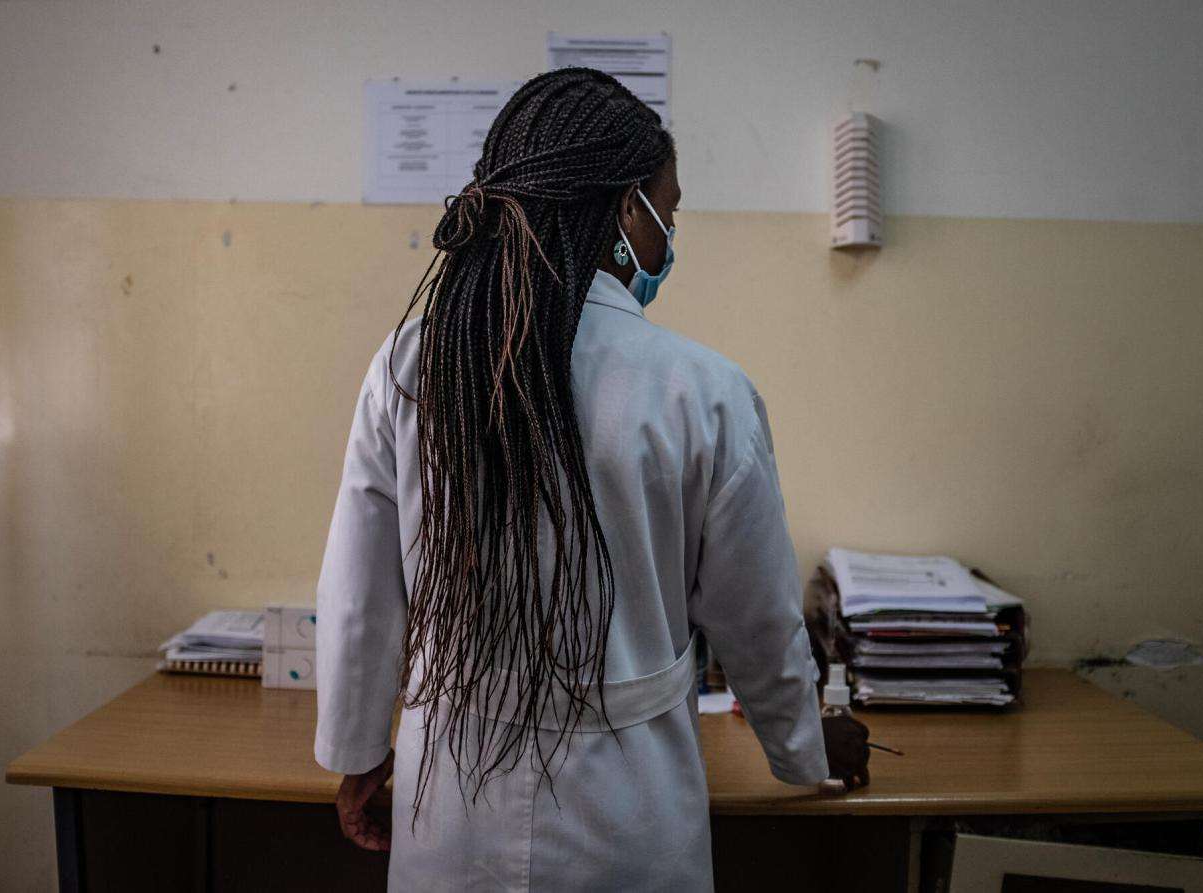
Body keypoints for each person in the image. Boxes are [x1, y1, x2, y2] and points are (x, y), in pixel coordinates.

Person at [314, 67, 869, 891]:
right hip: (629, 818)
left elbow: (361, 593)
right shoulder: (701, 390)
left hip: (452, 811)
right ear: (622, 208)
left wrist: (358, 753)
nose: (667, 241)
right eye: (667, 213)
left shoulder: (411, 363)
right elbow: (757, 617)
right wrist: (808, 748)